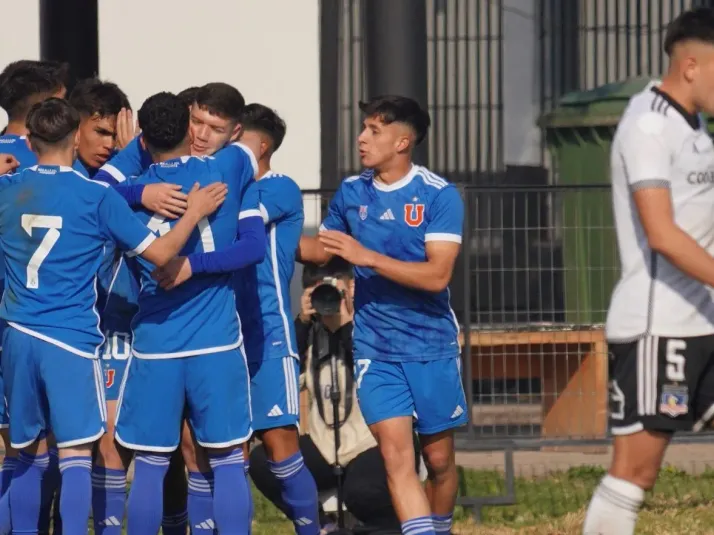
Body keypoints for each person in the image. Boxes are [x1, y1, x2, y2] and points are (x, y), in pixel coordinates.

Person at [0, 97, 226, 535]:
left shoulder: (9, 188)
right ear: (75, 136)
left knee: (25, 450)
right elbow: (160, 254)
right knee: (76, 456)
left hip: (16, 335)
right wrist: (194, 212)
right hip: (69, 339)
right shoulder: (94, 195)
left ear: (30, 139)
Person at [298, 95, 466, 535]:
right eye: (364, 128)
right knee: (397, 458)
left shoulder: (439, 195)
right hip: (376, 348)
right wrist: (266, 233)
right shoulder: (353, 193)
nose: (362, 138)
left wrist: (366, 257)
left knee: (439, 461)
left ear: (403, 141)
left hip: (431, 345)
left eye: (374, 130)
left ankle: (441, 526)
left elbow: (436, 276)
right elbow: (324, 248)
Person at [582, 7, 714, 534]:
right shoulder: (647, 125)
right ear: (690, 65)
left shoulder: (694, 121)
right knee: (636, 471)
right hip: (661, 327)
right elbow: (661, 233)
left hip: (703, 316)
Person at [113, 91, 264, 535]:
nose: (202, 132)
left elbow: (96, 190)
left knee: (152, 463)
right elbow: (249, 150)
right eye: (196, 123)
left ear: (143, 137)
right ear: (187, 126)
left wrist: (138, 181)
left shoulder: (127, 198)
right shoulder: (229, 168)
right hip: (216, 341)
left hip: (155, 345)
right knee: (228, 460)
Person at [250, 259, 407, 534]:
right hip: (323, 445)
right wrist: (302, 322)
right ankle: (320, 524)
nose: (328, 298)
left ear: (352, 287)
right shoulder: (311, 331)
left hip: (369, 442)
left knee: (362, 491)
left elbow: (373, 369)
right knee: (263, 462)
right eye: (318, 291)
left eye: (333, 288)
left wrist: (345, 324)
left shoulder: (373, 324)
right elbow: (284, 377)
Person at [228, 103, 319, 535]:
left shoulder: (279, 187)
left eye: (234, 135)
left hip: (268, 335)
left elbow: (234, 222)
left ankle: (312, 527)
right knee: (228, 455)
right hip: (223, 336)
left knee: (281, 446)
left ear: (260, 145)